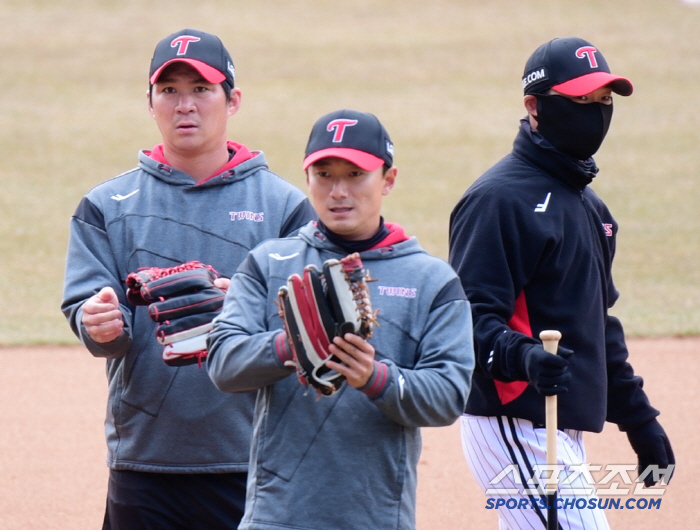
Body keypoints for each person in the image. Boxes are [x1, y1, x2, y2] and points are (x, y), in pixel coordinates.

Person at [61, 29, 315, 530]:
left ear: (232, 99)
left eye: (201, 90)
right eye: (170, 90)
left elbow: (309, 331)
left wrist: (245, 310)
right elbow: (87, 316)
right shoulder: (106, 208)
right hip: (146, 461)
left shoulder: (284, 209)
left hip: (255, 459)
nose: (185, 105)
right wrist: (95, 323)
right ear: (150, 102)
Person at [206, 109, 475, 530]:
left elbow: (449, 396)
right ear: (307, 178)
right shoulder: (269, 263)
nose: (338, 191)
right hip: (275, 518)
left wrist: (375, 377)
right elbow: (222, 364)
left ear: (388, 179)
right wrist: (292, 343)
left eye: (355, 174)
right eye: (324, 174)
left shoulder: (431, 281)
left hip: (376, 519)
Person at [449, 37, 675, 529]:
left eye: (603, 101)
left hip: (558, 426)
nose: (595, 114)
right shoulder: (498, 201)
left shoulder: (591, 209)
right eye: (579, 102)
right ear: (534, 106)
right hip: (513, 419)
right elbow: (464, 319)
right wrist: (524, 357)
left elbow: (598, 325)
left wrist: (640, 420)